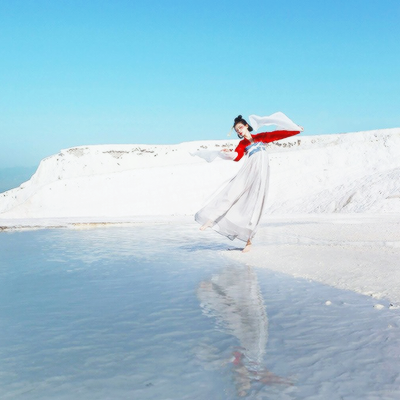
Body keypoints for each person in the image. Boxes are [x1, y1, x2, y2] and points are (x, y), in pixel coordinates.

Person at [195, 112, 303, 252]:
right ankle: (211, 219)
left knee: (255, 204)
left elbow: (279, 134)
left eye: (240, 127)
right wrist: (226, 152)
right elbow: (237, 156)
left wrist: (296, 130)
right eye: (236, 130)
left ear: (246, 126)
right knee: (232, 194)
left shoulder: (261, 137)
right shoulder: (242, 143)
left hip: (261, 174)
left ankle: (249, 241)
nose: (239, 130)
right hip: (248, 172)